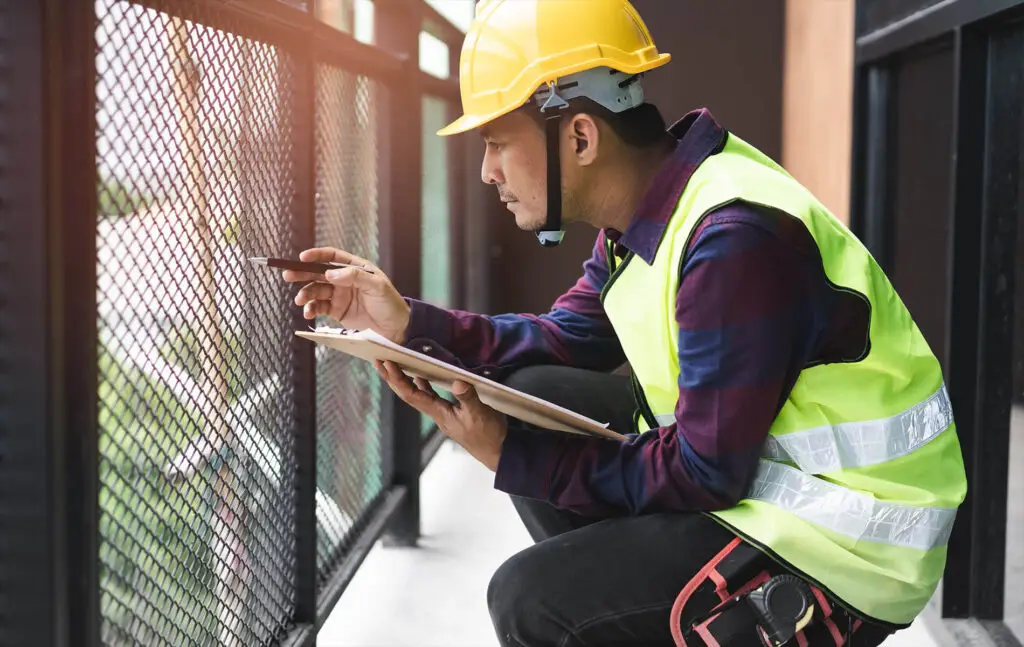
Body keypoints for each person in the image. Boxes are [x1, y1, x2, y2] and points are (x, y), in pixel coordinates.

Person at [283, 1, 968, 645]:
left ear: (580, 134)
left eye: (496, 141)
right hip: (766, 483)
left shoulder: (731, 238)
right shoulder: (651, 215)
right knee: (536, 391)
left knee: (529, 599)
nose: (488, 171)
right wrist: (405, 322)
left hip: (850, 550)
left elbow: (704, 473)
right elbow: (559, 338)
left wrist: (514, 457)